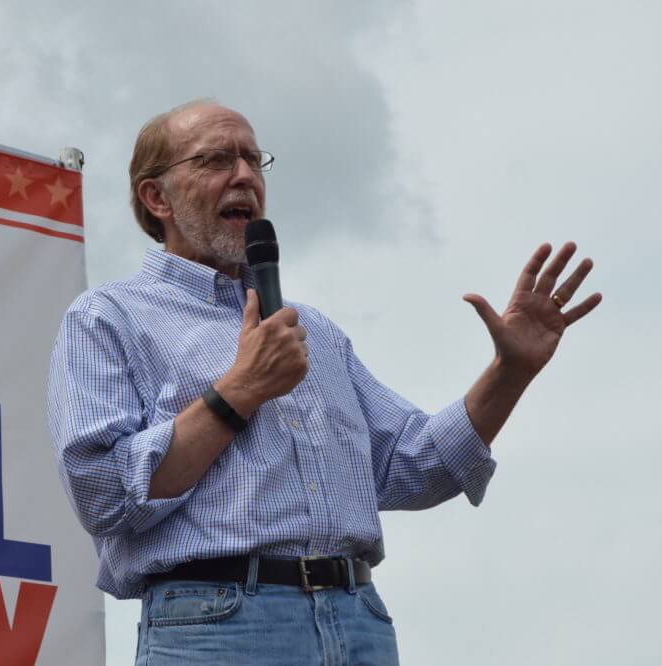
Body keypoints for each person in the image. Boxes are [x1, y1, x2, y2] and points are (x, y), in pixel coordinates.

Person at [47, 100, 601, 665]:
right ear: (156, 197)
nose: (243, 176)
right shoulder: (107, 318)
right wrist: (240, 389)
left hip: (358, 622)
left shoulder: (315, 333)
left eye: (252, 160)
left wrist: (510, 374)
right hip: (217, 628)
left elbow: (414, 463)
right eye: (215, 159)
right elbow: (103, 493)